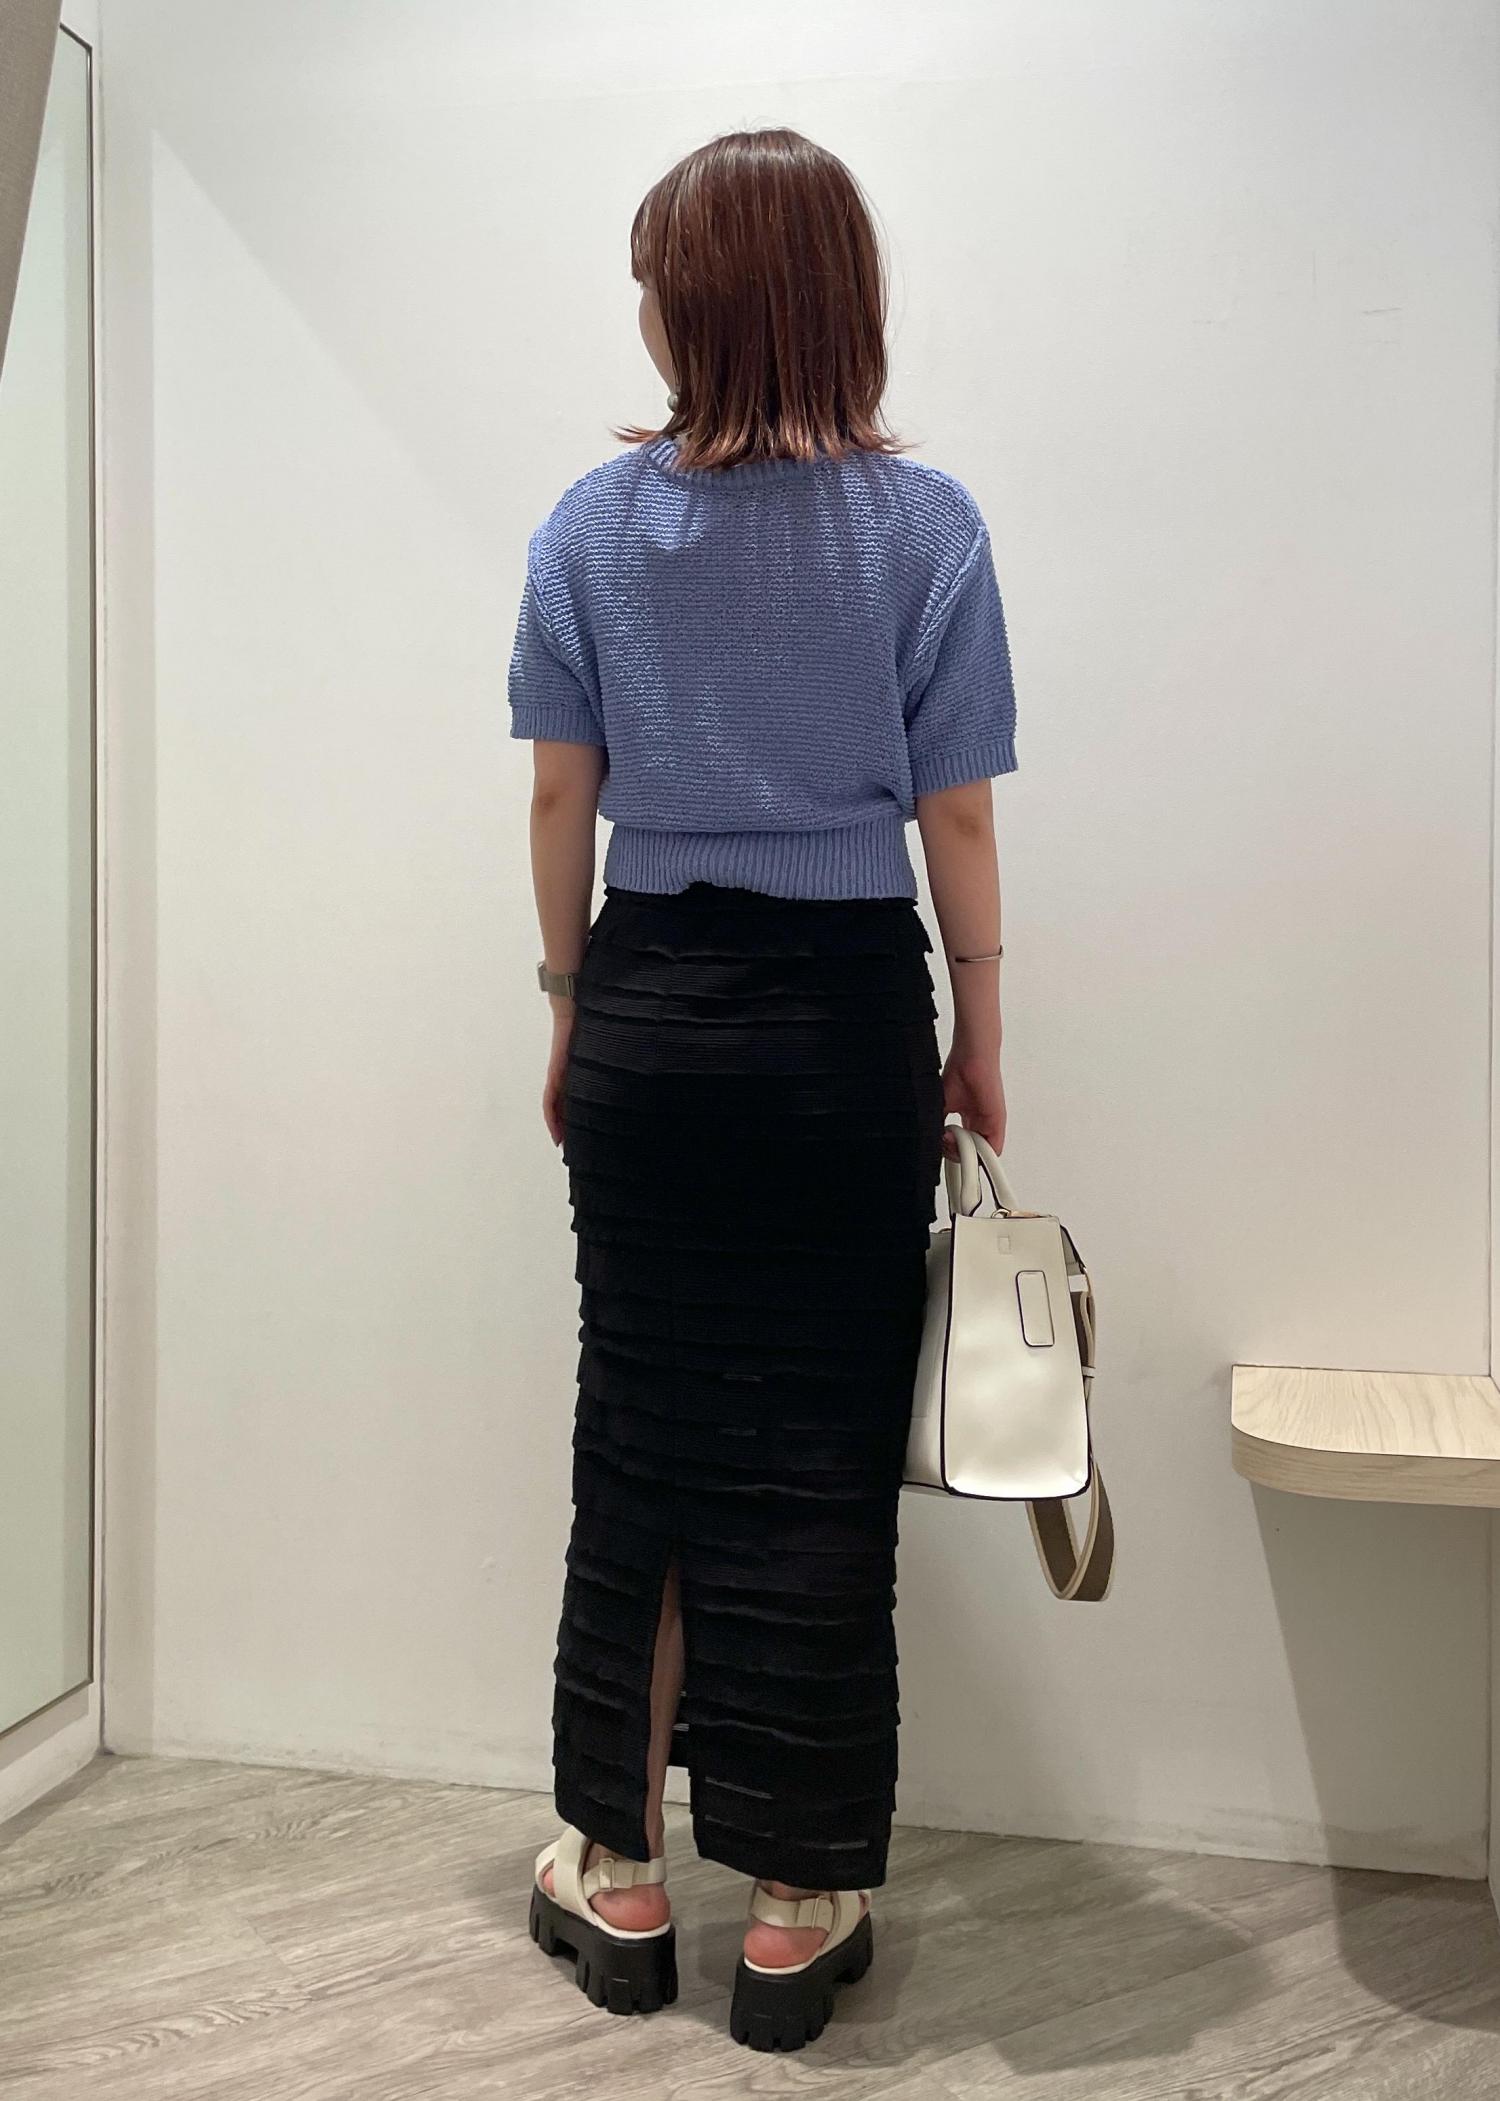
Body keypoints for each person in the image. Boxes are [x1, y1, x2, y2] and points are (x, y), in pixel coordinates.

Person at [508, 126, 1015, 2054]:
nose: (641, 308)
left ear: (703, 303)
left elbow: (559, 797)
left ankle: (619, 1874)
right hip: (838, 1028)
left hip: (653, 1011)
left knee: (640, 1439)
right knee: (814, 1453)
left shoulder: (589, 526)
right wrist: (980, 1029)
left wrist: (573, 1005)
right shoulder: (928, 527)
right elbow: (956, 819)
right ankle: (798, 1907)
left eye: (656, 278)